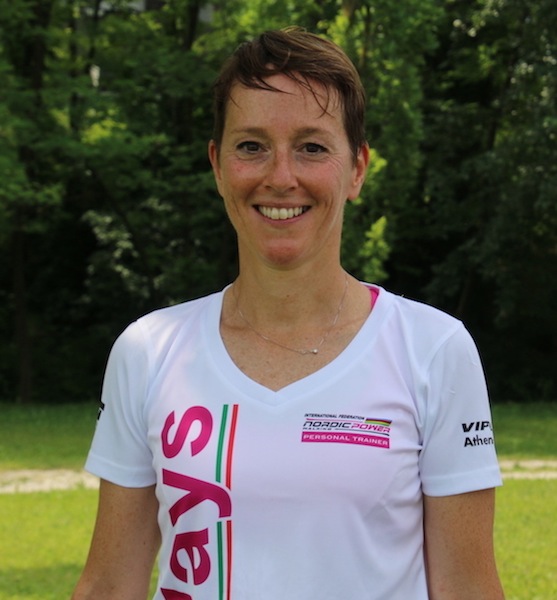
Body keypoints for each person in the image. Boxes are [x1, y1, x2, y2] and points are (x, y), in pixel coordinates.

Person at [72, 27, 505, 600]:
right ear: (218, 165)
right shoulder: (149, 350)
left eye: (312, 147)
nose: (280, 177)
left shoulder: (434, 349)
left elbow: (468, 587)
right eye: (251, 146)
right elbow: (108, 585)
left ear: (357, 169)